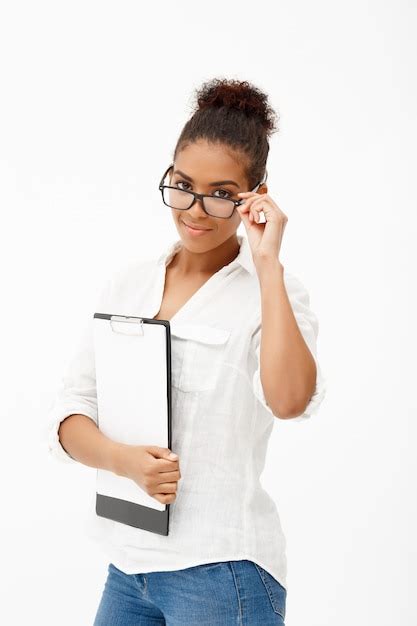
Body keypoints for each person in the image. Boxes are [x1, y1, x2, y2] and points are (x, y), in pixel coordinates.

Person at [46, 77, 327, 625]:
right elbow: (71, 410)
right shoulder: (128, 285)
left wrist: (266, 264)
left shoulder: (275, 292)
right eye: (182, 185)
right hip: (127, 570)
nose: (195, 209)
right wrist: (122, 460)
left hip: (222, 572)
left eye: (222, 193)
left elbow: (290, 400)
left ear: (255, 195)